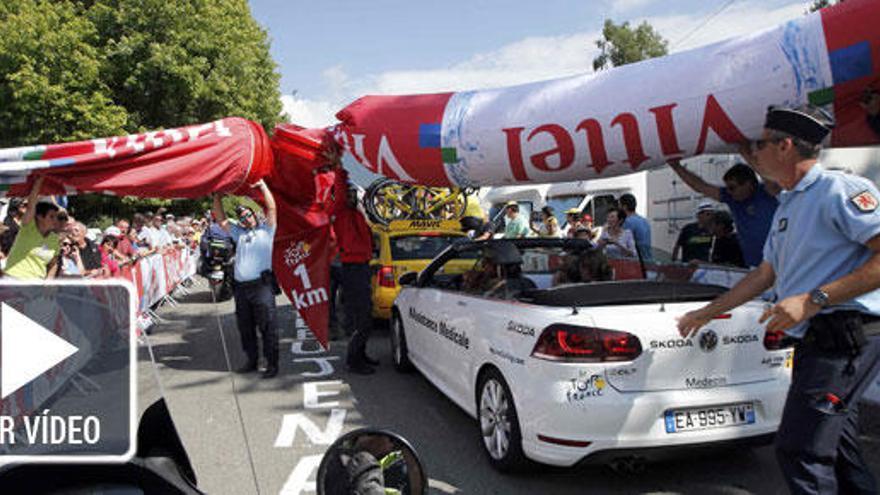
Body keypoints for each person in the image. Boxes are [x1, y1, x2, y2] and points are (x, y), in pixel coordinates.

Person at [677, 104, 880, 495]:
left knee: (801, 451)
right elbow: (764, 274)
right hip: (820, 338)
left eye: (761, 144)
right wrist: (706, 313)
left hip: (843, 336)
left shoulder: (839, 190)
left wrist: (814, 299)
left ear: (785, 146)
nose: (755, 153)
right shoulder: (789, 203)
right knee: (838, 448)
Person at [213, 181, 279, 379]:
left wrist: (262, 187)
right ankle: (252, 360)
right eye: (242, 216)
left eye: (249, 215)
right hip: (242, 288)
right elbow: (221, 218)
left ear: (254, 215)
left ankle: (272, 364)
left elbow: (272, 207)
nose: (246, 218)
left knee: (268, 326)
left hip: (261, 286)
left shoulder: (267, 230)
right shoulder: (238, 233)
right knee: (245, 327)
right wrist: (217, 196)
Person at [669, 160, 779, 267]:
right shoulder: (732, 199)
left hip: (780, 261)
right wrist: (677, 167)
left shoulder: (768, 192)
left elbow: (770, 177)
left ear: (748, 184)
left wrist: (745, 150)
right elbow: (701, 186)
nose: (729, 192)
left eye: (732, 188)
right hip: (756, 266)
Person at [333, 173, 377, 375]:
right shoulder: (341, 212)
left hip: (362, 267)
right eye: (348, 193)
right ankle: (353, 361)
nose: (352, 196)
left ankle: (361, 354)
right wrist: (339, 168)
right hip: (352, 268)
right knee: (360, 318)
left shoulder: (357, 212)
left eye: (353, 194)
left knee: (367, 315)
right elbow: (340, 192)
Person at [4, 177, 65, 280]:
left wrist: (49, 283)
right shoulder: (28, 227)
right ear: (40, 217)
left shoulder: (54, 239)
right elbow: (31, 204)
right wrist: (39, 181)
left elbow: (53, 264)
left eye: (56, 217)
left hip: (36, 285)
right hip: (14, 279)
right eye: (51, 217)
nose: (55, 220)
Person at [620, 193, 652, 262]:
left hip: (636, 262)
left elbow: (624, 245)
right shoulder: (644, 220)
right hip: (648, 260)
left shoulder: (628, 222)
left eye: (619, 205)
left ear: (624, 207)